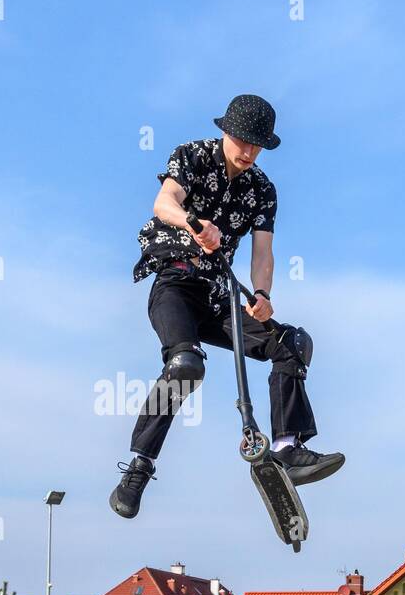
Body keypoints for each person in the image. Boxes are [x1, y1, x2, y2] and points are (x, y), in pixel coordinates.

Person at [109, 95, 345, 519]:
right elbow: (164, 204)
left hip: (219, 298)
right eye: (242, 141)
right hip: (175, 285)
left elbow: (263, 253)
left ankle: (287, 446)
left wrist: (262, 296)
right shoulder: (193, 156)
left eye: (258, 145)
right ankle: (139, 467)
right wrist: (195, 225)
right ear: (226, 132)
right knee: (186, 365)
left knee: (291, 343)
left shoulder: (262, 190)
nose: (249, 152)